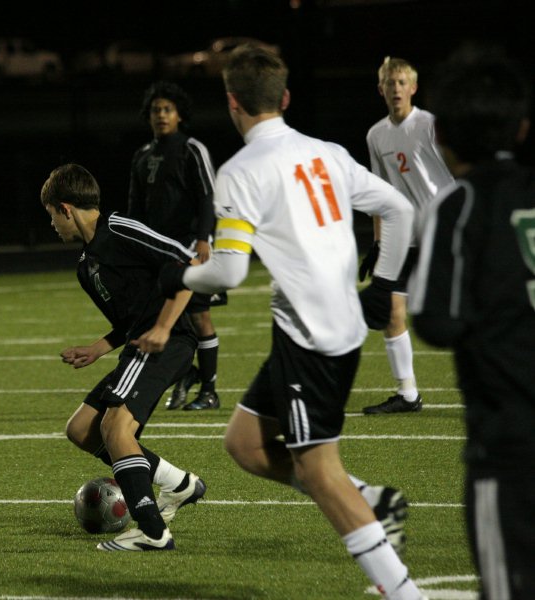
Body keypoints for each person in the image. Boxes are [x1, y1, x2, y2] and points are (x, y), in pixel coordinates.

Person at [159, 45, 425, 598]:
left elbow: (228, 273)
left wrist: (181, 278)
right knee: (246, 445)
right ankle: (368, 499)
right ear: (283, 98)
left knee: (319, 468)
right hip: (319, 328)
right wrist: (386, 286)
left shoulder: (240, 171)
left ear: (231, 103)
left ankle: (402, 591)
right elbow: (400, 209)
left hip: (313, 337)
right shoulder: (326, 151)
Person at [409, 44, 533, 600]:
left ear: (441, 136)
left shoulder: (459, 206)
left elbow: (435, 319)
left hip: (509, 443)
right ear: (522, 127)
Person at [40, 163, 206, 551]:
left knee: (116, 428)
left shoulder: (119, 228)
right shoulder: (87, 267)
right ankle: (179, 485)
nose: (51, 226)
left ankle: (152, 530)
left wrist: (164, 327)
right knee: (82, 429)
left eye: (50, 216)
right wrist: (97, 348)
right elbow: (129, 321)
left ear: (66, 208)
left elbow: (186, 261)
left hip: (170, 341)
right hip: (140, 345)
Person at [359, 56, 455, 415]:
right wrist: (379, 242)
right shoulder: (375, 134)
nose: (396, 88)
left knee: (467, 310)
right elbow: (380, 193)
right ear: (381, 89)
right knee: (391, 311)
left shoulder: (430, 125)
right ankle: (408, 394)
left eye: (402, 82)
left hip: (441, 233)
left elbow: (456, 173)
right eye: (390, 82)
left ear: (413, 87)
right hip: (404, 238)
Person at [128, 81, 223, 411]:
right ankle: (190, 374)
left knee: (199, 317)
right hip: (157, 253)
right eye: (156, 110)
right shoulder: (142, 156)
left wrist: (203, 237)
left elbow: (208, 196)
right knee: (169, 322)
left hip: (188, 248)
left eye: (167, 109)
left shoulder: (192, 149)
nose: (161, 115)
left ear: (180, 114)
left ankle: (209, 391)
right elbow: (135, 209)